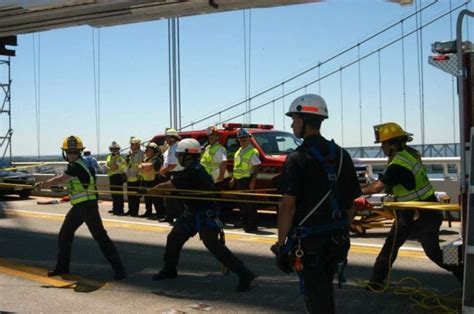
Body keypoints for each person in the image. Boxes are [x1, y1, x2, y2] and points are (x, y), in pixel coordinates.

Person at [274, 94, 361, 313]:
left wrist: (282, 244)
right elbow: (351, 206)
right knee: (324, 291)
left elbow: (288, 206)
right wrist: (342, 228)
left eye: (294, 119)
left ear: (303, 121)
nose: (292, 124)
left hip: (309, 243)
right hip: (336, 239)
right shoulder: (342, 155)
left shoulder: (296, 158)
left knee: (316, 296)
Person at [357, 122, 463, 290]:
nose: (382, 147)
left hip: (423, 214)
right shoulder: (408, 155)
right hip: (410, 212)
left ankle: (464, 271)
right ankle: (375, 282)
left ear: (392, 144)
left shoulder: (397, 164)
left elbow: (376, 188)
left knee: (434, 253)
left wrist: (354, 190)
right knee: (390, 246)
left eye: (383, 143)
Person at [148, 138, 255, 292]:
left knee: (214, 246)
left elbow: (168, 185)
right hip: (191, 214)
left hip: (204, 215)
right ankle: (169, 269)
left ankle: (244, 273)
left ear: (188, 156)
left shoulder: (192, 172)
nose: (178, 158)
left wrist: (151, 190)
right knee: (174, 237)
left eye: (179, 156)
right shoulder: (197, 169)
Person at [36, 135, 125, 280]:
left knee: (100, 237)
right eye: (69, 152)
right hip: (80, 206)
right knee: (65, 236)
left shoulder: (75, 165)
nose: (71, 155)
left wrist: (42, 184)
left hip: (87, 207)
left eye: (74, 152)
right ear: (65, 153)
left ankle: (119, 269)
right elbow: (75, 182)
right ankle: (62, 267)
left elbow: (61, 179)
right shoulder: (83, 164)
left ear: (79, 152)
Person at [229, 128, 261, 233]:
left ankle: (252, 226)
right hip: (239, 181)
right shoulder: (239, 151)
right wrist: (234, 178)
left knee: (249, 204)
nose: (243, 140)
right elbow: (236, 166)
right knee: (242, 204)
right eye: (241, 139)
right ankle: (244, 222)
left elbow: (256, 167)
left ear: (250, 139)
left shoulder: (252, 151)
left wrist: (253, 181)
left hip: (247, 180)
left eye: (245, 139)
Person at [200, 126, 229, 218]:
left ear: (217, 137)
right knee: (208, 199)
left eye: (213, 136)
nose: (210, 138)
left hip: (215, 178)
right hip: (207, 178)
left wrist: (220, 176)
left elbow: (224, 162)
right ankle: (210, 216)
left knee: (215, 199)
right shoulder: (207, 148)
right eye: (209, 136)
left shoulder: (220, 149)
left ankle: (218, 218)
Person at [158, 128, 183, 223]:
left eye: (168, 137)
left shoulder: (177, 148)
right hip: (168, 174)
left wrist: (163, 170)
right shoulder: (170, 148)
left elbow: (174, 164)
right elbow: (166, 161)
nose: (166, 139)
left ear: (173, 138)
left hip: (176, 174)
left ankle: (180, 217)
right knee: (168, 197)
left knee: (177, 198)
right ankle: (169, 216)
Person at [138, 142, 164, 218]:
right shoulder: (147, 159)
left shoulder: (157, 159)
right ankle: (148, 212)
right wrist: (143, 166)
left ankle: (160, 213)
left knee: (156, 199)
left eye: (148, 150)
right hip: (146, 181)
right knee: (147, 198)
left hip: (155, 181)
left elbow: (150, 166)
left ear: (154, 151)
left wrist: (143, 166)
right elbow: (139, 167)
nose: (146, 151)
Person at [104, 141, 127, 216]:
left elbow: (114, 168)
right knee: (113, 194)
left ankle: (120, 210)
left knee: (118, 194)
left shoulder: (119, 158)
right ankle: (115, 208)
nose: (113, 151)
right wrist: (109, 167)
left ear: (118, 149)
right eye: (112, 149)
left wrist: (114, 158)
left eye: (115, 149)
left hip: (118, 176)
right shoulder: (109, 156)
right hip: (111, 176)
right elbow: (105, 167)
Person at [124, 137, 144, 217]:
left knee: (135, 196)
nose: (131, 146)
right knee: (130, 196)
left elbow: (141, 165)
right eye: (131, 144)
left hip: (137, 178)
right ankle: (130, 210)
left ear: (137, 145)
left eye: (132, 144)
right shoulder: (130, 154)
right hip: (129, 177)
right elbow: (127, 164)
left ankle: (134, 212)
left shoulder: (141, 154)